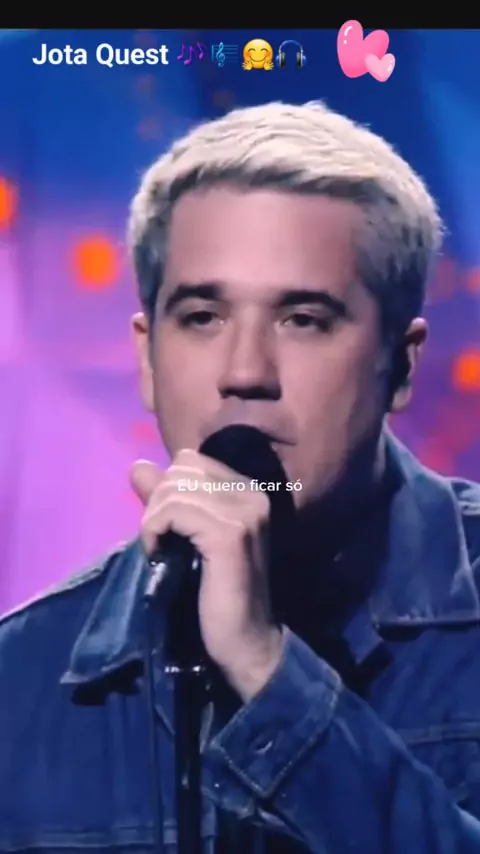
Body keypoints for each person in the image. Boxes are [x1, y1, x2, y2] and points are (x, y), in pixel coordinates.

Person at [1, 100, 480, 854]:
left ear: (401, 365)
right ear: (147, 357)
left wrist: (266, 667)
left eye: (304, 319)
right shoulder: (21, 678)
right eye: (202, 316)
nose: (245, 372)